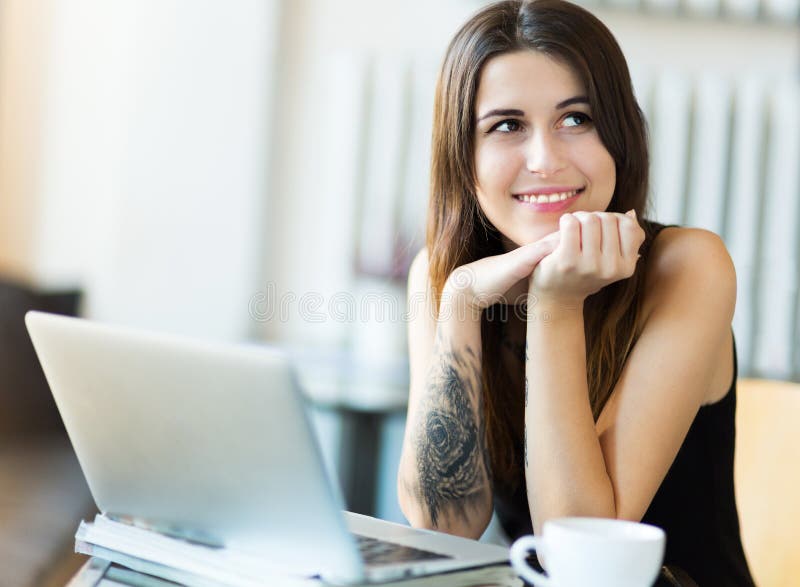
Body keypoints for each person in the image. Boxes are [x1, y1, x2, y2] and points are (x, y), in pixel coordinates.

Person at [396, 1, 755, 584]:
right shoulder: (445, 277)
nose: (546, 160)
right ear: (464, 156)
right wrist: (459, 302)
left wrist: (556, 305)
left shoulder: (689, 266)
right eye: (506, 126)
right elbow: (442, 528)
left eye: (576, 119)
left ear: (619, 132)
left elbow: (582, 551)